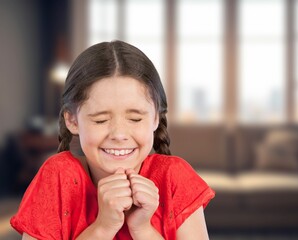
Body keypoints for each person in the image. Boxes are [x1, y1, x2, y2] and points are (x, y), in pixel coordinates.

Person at [10, 41, 215, 240]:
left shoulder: (175, 178)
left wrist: (142, 229)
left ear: (155, 118)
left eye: (135, 119)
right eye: (101, 120)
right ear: (72, 120)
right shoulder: (56, 177)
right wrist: (103, 227)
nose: (118, 134)